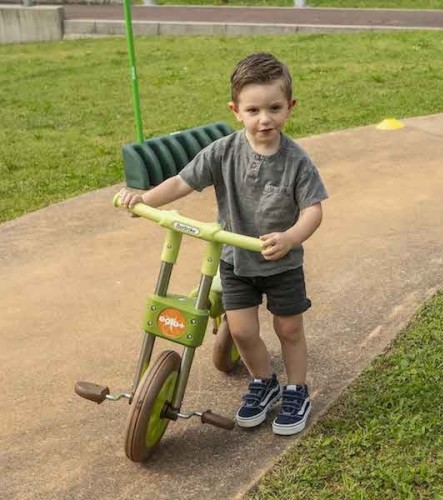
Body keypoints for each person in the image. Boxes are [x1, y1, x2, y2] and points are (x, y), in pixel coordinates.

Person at [119, 52, 328, 436]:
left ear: (290, 107)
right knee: (244, 332)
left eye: (274, 108)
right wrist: (145, 199)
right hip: (234, 262)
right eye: (253, 110)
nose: (264, 118)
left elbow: (313, 210)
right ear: (236, 111)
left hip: (281, 264)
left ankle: (297, 389)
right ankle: (263, 382)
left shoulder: (297, 161)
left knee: (289, 329)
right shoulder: (223, 151)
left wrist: (291, 237)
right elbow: (183, 181)